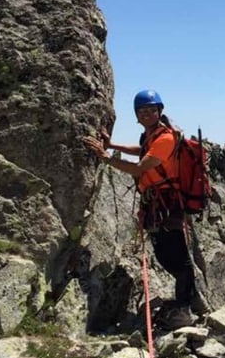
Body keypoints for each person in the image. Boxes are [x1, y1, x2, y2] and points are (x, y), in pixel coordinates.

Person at [84, 89, 205, 327]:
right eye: (142, 111)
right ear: (137, 116)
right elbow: (142, 151)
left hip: (168, 204)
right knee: (164, 253)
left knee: (176, 256)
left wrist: (104, 156)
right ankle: (189, 300)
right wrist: (112, 145)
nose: (147, 114)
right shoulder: (152, 135)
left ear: (159, 111)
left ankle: (184, 307)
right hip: (158, 203)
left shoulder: (166, 138)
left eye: (151, 110)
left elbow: (140, 167)